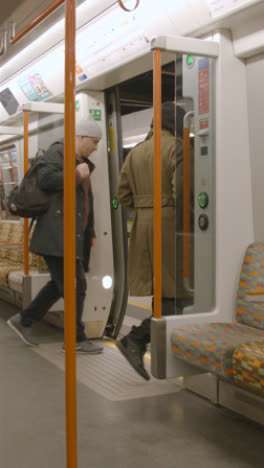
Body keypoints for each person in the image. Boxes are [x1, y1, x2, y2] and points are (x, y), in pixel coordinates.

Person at [7, 117, 104, 354]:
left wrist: (88, 232)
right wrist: (76, 174)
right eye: (93, 141)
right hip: (56, 235)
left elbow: (84, 204)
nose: (96, 147)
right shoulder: (58, 152)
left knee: (61, 284)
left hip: (68, 235)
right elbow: (46, 180)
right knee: (75, 285)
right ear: (79, 137)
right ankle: (76, 339)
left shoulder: (80, 161)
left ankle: (25, 320)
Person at [116, 102, 193, 379]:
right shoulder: (178, 147)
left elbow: (122, 196)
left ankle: (157, 352)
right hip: (171, 226)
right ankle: (137, 339)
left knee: (161, 292)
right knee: (181, 295)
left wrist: (145, 207)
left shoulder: (135, 152)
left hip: (142, 227)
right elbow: (184, 192)